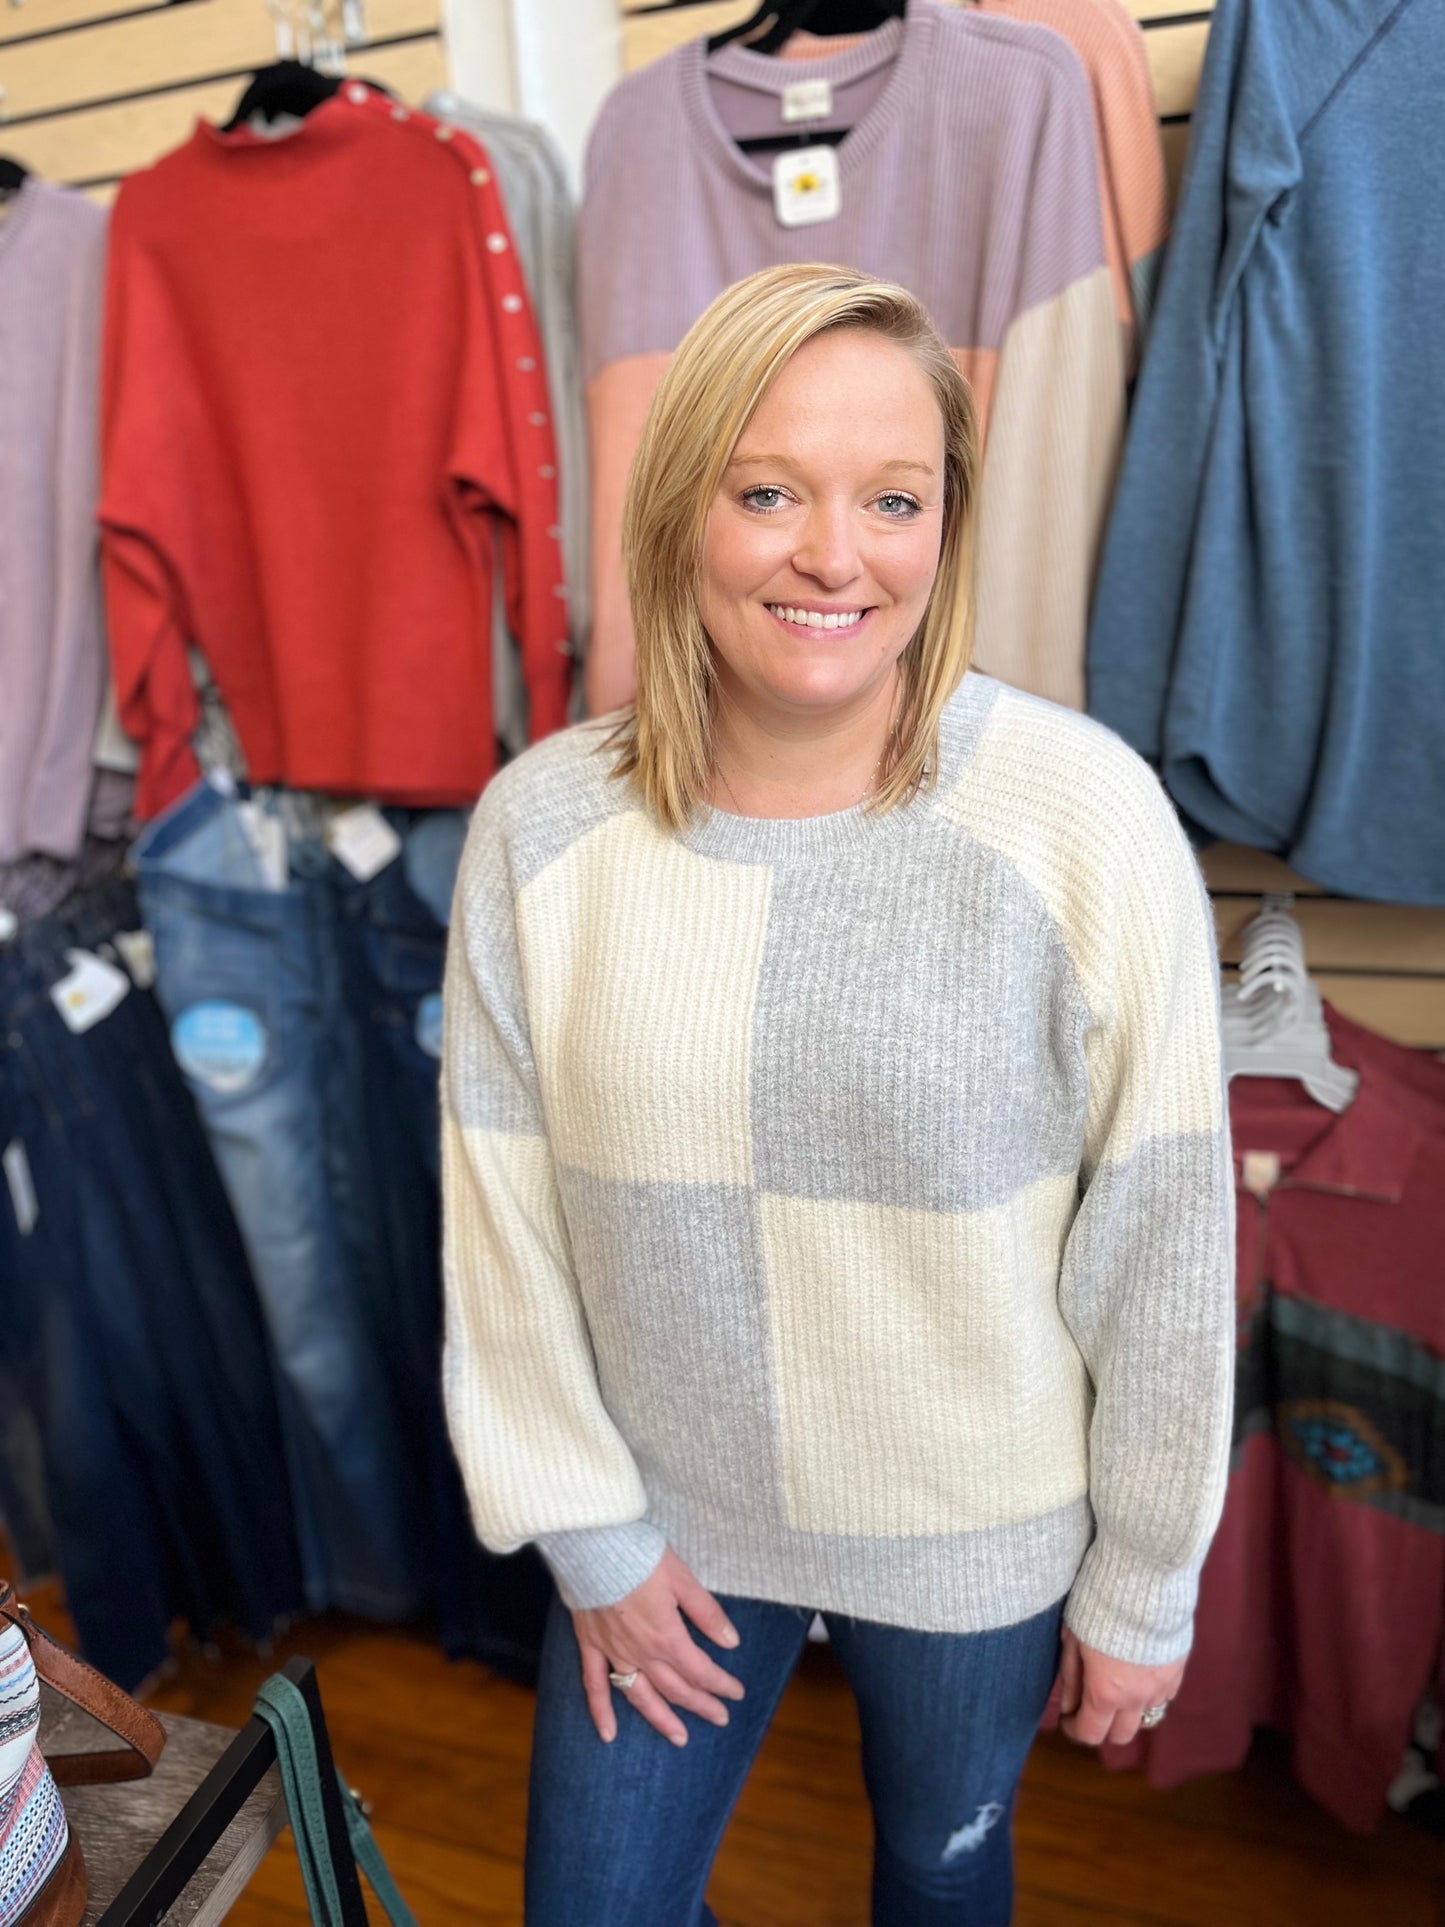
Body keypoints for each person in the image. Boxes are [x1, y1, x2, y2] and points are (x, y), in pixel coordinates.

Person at [440, 263, 1235, 1926]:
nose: (833, 554)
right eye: (766, 492)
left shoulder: (1077, 816)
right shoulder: (540, 832)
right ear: (681, 512)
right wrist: (591, 1536)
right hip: (665, 1526)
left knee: (939, 1892)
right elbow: (502, 1225)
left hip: (975, 1530)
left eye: (892, 497)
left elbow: (1160, 1237)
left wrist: (1142, 1583)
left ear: (945, 521)